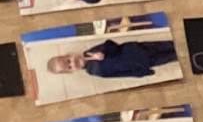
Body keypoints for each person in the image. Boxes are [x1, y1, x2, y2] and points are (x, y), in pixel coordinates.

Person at [46, 37, 177, 80]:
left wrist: (103, 52)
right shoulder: (95, 72)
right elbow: (120, 74)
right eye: (69, 67)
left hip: (139, 49)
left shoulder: (89, 52)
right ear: (71, 71)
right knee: (173, 56)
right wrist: (142, 72)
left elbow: (113, 45)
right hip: (143, 63)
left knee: (172, 44)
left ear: (69, 55)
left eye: (68, 60)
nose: (73, 63)